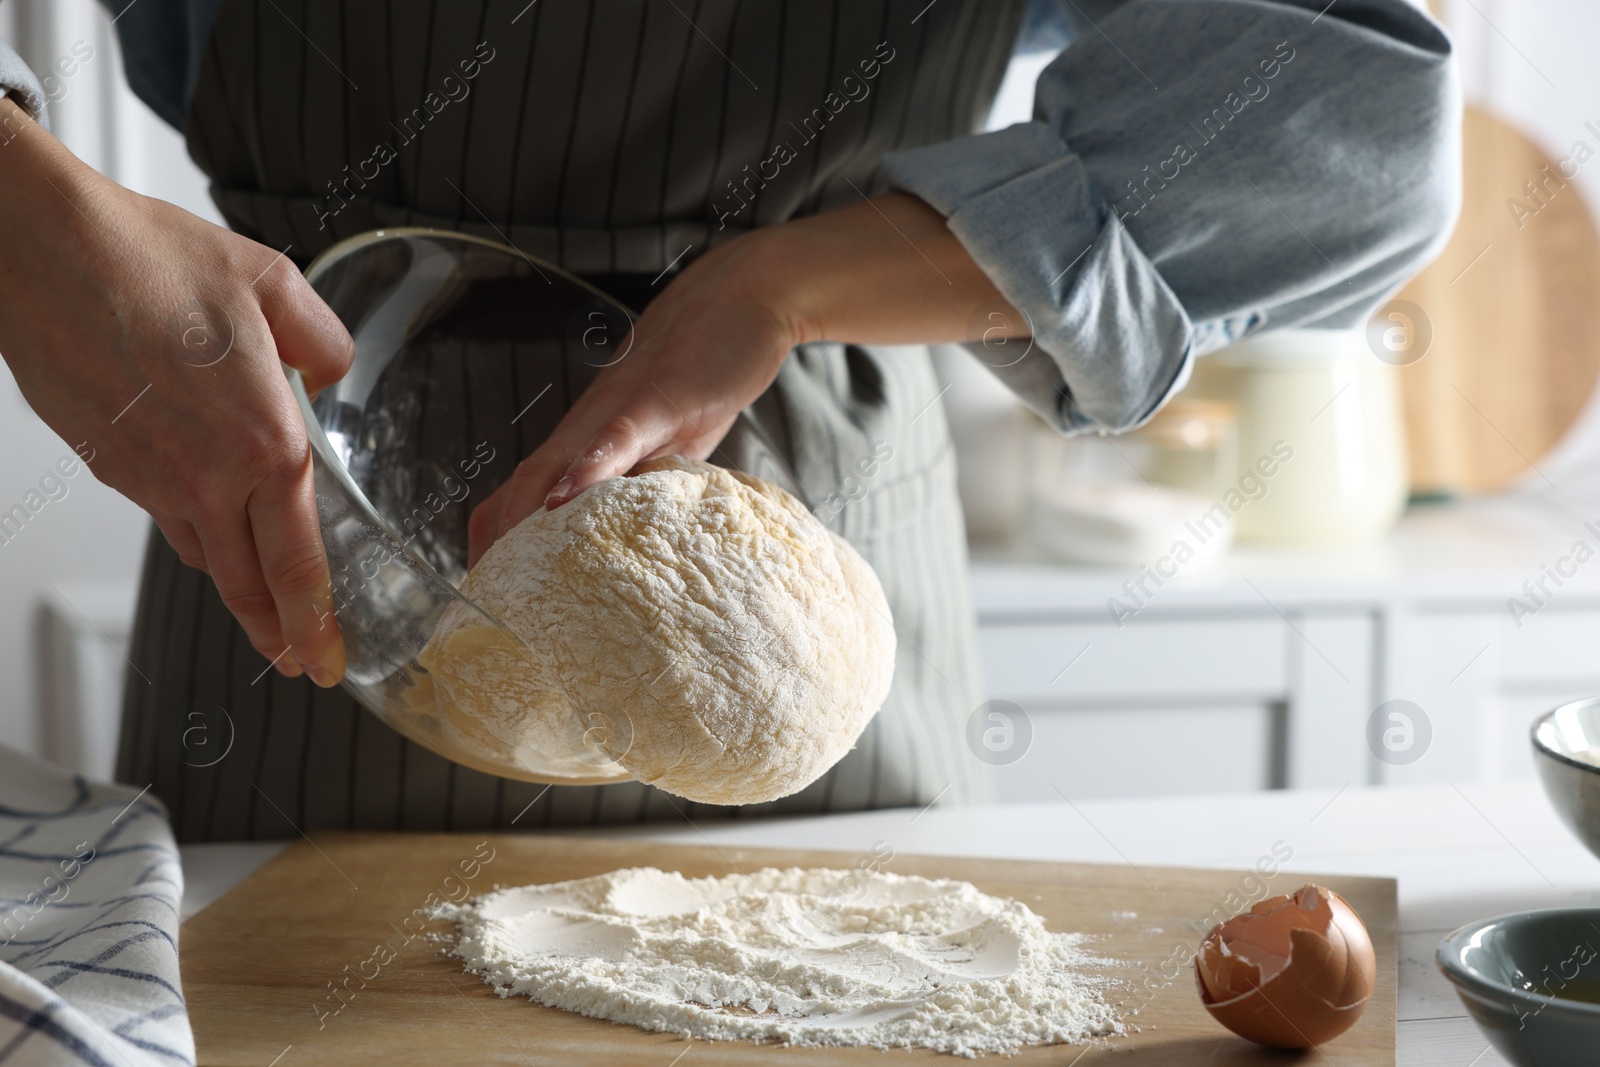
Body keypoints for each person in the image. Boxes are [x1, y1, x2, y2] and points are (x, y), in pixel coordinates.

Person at [0, 0, 1458, 839]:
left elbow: (1364, 118)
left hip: (807, 497)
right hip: (298, 517)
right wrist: (22, 209)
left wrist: (790, 282)